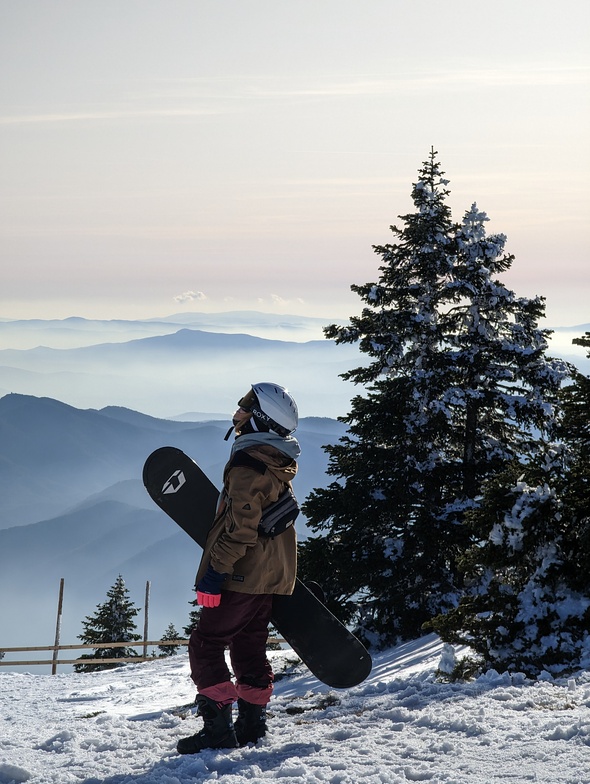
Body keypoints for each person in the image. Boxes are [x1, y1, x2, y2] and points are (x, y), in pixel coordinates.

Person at [177, 382, 301, 754]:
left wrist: (215, 573)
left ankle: (217, 730)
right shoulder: (275, 460)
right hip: (271, 575)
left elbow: (242, 530)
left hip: (243, 575)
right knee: (249, 644)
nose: (238, 409)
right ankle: (251, 725)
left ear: (260, 418)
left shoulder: (248, 467)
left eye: (247, 404)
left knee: (206, 643)